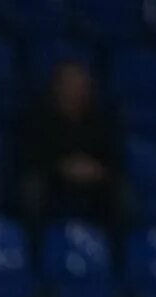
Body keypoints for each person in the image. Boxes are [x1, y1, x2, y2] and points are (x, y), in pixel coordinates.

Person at [21, 59, 119, 227]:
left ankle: (113, 249)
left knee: (120, 196)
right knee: (33, 191)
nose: (75, 89)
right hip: (52, 178)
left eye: (80, 83)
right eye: (70, 83)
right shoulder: (39, 117)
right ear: (57, 86)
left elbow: (115, 156)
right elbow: (30, 156)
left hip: (93, 180)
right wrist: (62, 167)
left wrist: (98, 170)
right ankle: (37, 246)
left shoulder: (102, 119)